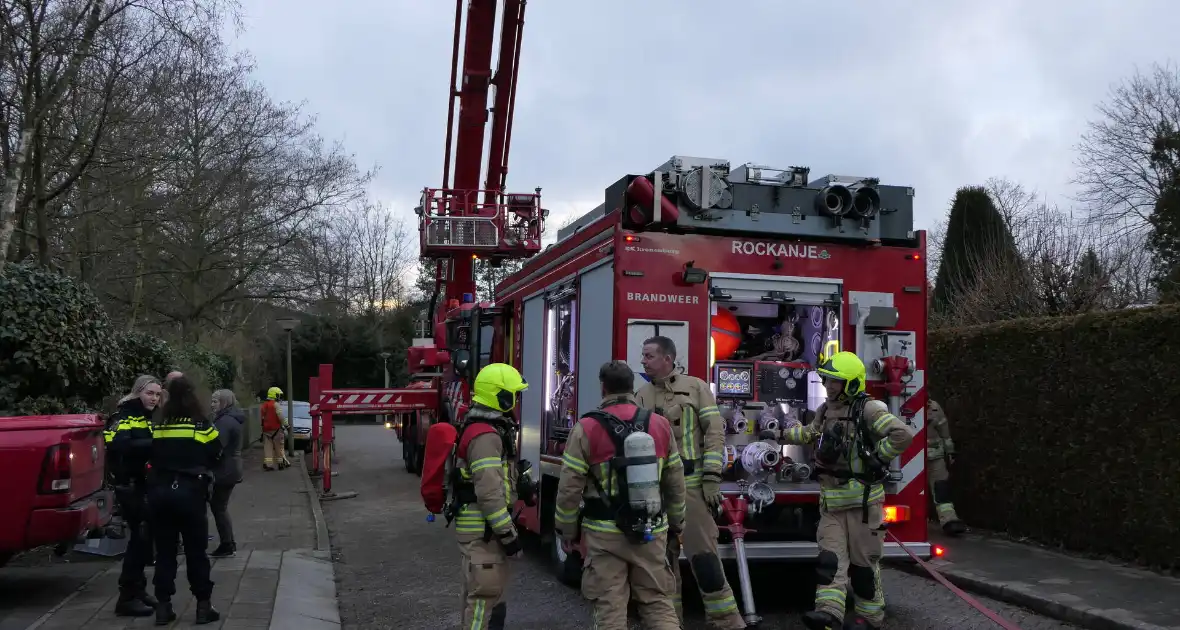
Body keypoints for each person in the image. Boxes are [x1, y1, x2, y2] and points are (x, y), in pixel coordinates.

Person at [780, 351, 914, 630]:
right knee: (830, 562)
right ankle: (829, 614)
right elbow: (809, 434)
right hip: (831, 506)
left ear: (852, 384)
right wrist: (782, 433)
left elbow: (902, 434)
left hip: (863, 506)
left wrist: (878, 458)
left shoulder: (869, 409)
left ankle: (870, 619)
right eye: (827, 380)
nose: (828, 386)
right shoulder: (826, 410)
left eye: (835, 381)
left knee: (864, 567)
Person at [554, 361, 685, 630]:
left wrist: (566, 530)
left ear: (603, 388)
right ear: (633, 387)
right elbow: (675, 481)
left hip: (604, 535)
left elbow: (569, 487)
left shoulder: (586, 427)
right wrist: (676, 524)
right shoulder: (659, 424)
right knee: (658, 603)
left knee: (610, 607)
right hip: (651, 530)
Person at [635, 336, 745, 629]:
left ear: (667, 359)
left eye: (648, 356)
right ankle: (671, 623)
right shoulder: (642, 395)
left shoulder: (696, 388)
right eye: (643, 356)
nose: (643, 361)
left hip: (692, 486)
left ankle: (727, 623)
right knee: (662, 563)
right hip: (657, 491)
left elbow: (714, 433)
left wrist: (711, 478)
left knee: (705, 559)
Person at [451, 363, 529, 630]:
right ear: (501, 396)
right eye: (513, 394)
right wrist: (509, 535)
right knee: (483, 599)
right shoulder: (485, 436)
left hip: (483, 531)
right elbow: (489, 495)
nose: (516, 400)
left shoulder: (484, 429)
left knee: (489, 596)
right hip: (482, 532)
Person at [145, 376, 224, 625]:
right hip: (190, 494)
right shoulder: (200, 425)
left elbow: (151, 454)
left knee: (165, 552)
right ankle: (203, 606)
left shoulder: (159, 425)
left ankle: (163, 607)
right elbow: (217, 452)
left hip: (160, 494)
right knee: (195, 552)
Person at [105, 375, 164, 617]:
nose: (154, 398)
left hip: (142, 484)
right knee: (139, 540)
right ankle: (127, 596)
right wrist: (154, 444)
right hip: (128, 485)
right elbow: (115, 443)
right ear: (138, 392)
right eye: (150, 393)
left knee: (144, 540)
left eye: (158, 394)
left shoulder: (145, 417)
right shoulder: (124, 416)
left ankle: (138, 590)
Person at [209, 389, 245, 557]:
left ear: (224, 402)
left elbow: (216, 446)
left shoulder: (224, 422)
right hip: (231, 468)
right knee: (220, 506)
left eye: (215, 401)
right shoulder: (232, 419)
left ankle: (227, 544)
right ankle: (229, 543)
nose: (212, 405)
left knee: (219, 507)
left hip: (224, 470)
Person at [927, 399, 966, 536]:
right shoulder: (933, 407)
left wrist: (950, 452)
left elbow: (945, 433)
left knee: (941, 488)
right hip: (911, 457)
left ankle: (949, 520)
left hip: (933, 456)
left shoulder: (934, 407)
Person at [259, 387, 289, 471]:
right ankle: (280, 464)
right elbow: (281, 417)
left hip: (266, 430)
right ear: (275, 395)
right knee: (278, 448)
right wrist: (287, 425)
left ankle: (269, 465)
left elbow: (262, 418)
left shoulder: (264, 405)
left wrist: (262, 429)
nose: (280, 397)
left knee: (268, 448)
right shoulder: (276, 405)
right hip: (276, 430)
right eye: (278, 395)